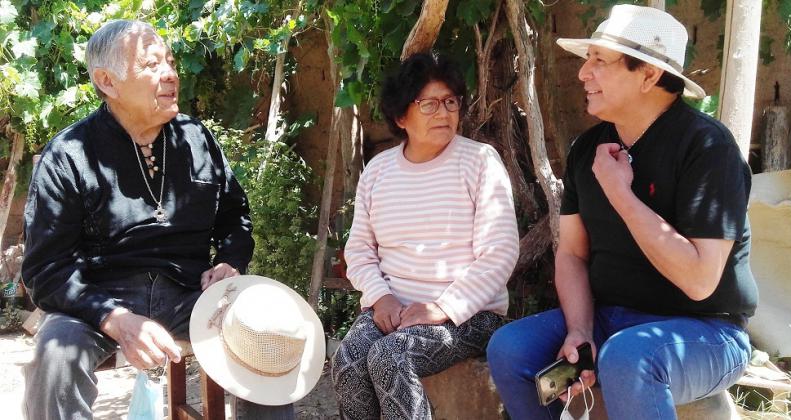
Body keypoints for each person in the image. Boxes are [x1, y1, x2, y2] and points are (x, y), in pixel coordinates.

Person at [487, 5, 758, 419]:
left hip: (707, 330)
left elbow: (700, 281)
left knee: (630, 356)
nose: (582, 73)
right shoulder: (587, 148)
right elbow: (572, 253)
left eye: (600, 61)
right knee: (509, 349)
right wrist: (579, 328)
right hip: (610, 318)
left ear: (649, 75)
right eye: (587, 59)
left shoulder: (708, 150)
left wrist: (622, 195)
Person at [21, 20, 292, 419]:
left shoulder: (195, 139)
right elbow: (46, 269)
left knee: (264, 335)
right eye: (151, 65)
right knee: (55, 354)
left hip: (192, 294)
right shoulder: (70, 155)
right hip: (100, 299)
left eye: (170, 61)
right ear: (107, 82)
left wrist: (230, 261)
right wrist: (115, 319)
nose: (170, 74)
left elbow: (235, 217)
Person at [330, 53, 520, 420]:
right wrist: (380, 297)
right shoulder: (378, 171)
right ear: (402, 116)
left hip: (470, 314)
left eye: (450, 102)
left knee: (390, 356)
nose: (444, 113)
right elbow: (360, 250)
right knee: (349, 359)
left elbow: (500, 252)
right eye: (429, 104)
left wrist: (442, 308)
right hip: (395, 308)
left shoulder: (480, 161)